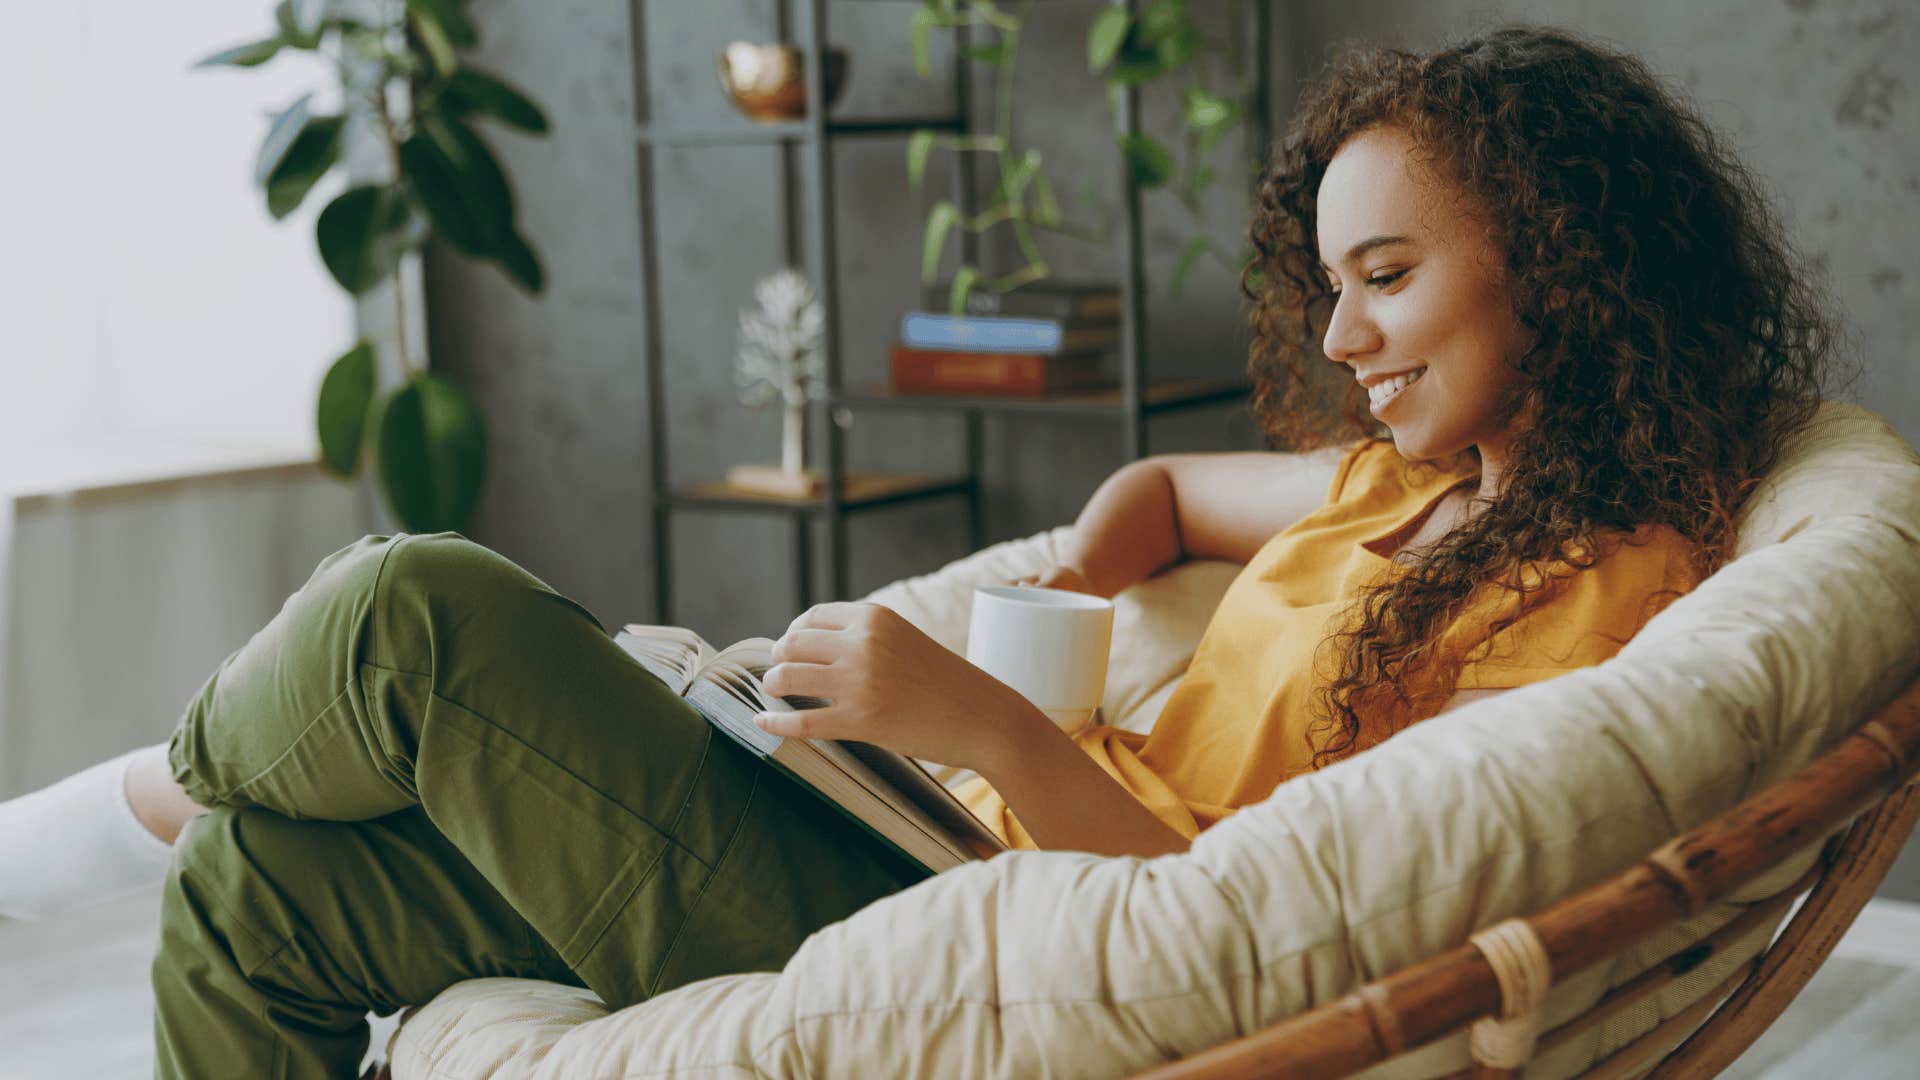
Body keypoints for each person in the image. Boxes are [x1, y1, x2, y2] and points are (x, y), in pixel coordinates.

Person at [0, 24, 1831, 1078]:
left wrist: (984, 716)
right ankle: (183, 813)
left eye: (1389, 280)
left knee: (419, 608)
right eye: (1330, 285)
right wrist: (1095, 585)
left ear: (1567, 268)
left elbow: (1257, 928)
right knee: (266, 891)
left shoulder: (1595, 589)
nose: (1344, 344)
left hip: (988, 930)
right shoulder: (1401, 484)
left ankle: (102, 812)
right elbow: (1179, 495)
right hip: (924, 836)